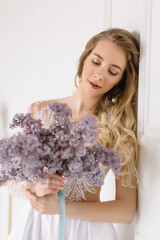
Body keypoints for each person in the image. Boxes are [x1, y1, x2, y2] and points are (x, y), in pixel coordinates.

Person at [7, 27, 140, 240]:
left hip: (88, 233)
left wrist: (61, 207)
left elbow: (126, 210)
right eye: (96, 62)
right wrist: (35, 187)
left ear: (120, 81)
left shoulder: (119, 130)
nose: (99, 75)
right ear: (84, 59)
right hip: (37, 228)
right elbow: (10, 179)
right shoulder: (39, 111)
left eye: (112, 71)